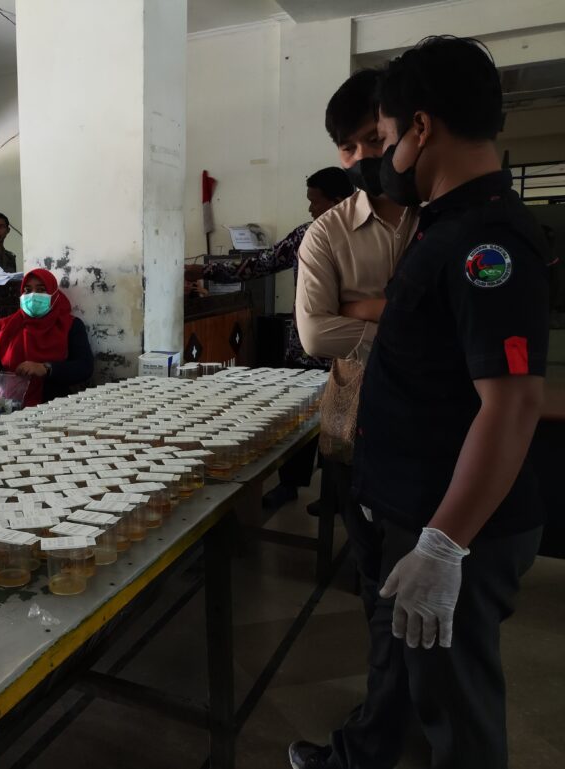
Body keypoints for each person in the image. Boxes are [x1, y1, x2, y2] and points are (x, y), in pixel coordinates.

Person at [289, 37, 549, 769]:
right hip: (416, 503)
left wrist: (443, 544)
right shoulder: (445, 225)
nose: (379, 157)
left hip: (455, 521)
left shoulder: (486, 241)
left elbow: (513, 403)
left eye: (385, 136)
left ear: (421, 128)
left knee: (456, 709)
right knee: (412, 669)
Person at [294, 68, 419, 619]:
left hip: (433, 421)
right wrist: (410, 325)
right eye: (348, 147)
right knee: (372, 570)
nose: (363, 156)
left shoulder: (438, 216)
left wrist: (363, 309)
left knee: (426, 564)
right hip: (353, 420)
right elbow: (315, 333)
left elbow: (459, 320)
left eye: (374, 139)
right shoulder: (327, 232)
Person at [204, 168, 353, 510]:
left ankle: (335, 494)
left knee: (340, 426)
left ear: (336, 200)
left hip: (345, 351)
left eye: (315, 201)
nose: (311, 208)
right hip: (305, 349)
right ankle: (289, 484)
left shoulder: (363, 239)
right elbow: (263, 263)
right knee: (296, 419)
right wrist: (209, 270)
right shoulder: (306, 234)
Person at [0, 268, 94, 407]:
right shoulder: (4, 327)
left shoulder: (70, 325)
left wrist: (46, 368)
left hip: (54, 408)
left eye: (41, 290)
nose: (33, 295)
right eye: (27, 290)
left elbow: (85, 367)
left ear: (54, 294)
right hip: (9, 408)